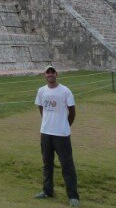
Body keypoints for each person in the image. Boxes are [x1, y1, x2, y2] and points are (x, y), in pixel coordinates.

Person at [34, 65, 79, 206]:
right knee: (47, 163)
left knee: (67, 165)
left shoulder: (65, 91)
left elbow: (72, 111)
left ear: (56, 74)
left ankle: (73, 196)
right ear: (44, 75)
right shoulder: (41, 91)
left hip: (61, 134)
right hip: (46, 133)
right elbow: (41, 107)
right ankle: (47, 191)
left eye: (53, 72)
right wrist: (48, 122)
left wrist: (65, 125)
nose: (50, 74)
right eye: (48, 72)